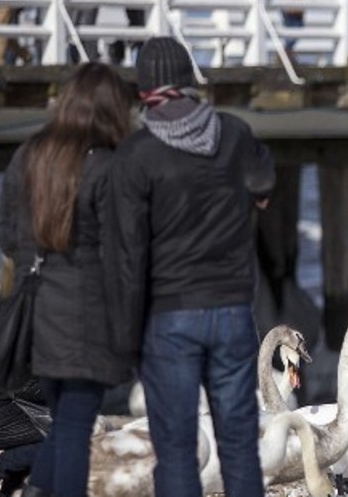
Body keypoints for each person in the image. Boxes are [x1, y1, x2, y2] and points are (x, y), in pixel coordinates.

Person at [108, 37, 275, 497]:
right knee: (240, 444)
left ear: (143, 89)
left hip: (169, 315)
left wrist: (123, 341)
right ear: (188, 80)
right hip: (233, 310)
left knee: (177, 448)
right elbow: (264, 178)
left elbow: (127, 255)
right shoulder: (235, 134)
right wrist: (254, 193)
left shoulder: (136, 155)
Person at [0, 61, 134, 497]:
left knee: (64, 419)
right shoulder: (107, 165)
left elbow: (6, 235)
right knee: (75, 425)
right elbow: (122, 249)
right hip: (86, 318)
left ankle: (38, 490)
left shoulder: (28, 154)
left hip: (34, 311)